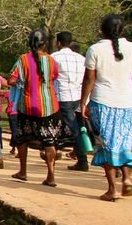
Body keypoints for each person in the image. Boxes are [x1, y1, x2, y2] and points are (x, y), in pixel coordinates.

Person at [81, 14, 132, 202]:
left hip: (102, 102)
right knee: (123, 143)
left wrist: (83, 102)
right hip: (127, 102)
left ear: (102, 30)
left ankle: (112, 189)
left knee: (106, 144)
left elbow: (89, 79)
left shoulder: (95, 49)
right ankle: (126, 178)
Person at [8, 29, 75, 187]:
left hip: (28, 104)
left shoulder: (23, 59)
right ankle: (50, 175)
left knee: (22, 138)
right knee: (50, 140)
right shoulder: (51, 61)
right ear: (44, 44)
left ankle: (23, 171)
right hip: (49, 105)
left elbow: (11, 80)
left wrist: (22, 83)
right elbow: (55, 76)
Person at [51, 31, 89, 172]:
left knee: (69, 129)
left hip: (63, 96)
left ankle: (81, 160)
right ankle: (81, 158)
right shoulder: (81, 58)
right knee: (78, 127)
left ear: (58, 43)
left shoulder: (54, 57)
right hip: (79, 97)